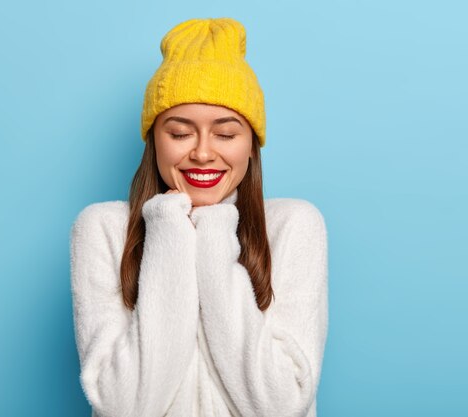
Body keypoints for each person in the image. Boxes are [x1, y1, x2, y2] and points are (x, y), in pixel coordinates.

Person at [69, 17, 328, 417]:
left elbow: (281, 404)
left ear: (251, 147)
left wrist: (212, 231)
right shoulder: (102, 229)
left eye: (226, 134)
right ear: (154, 138)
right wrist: (169, 228)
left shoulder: (293, 225)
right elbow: (125, 406)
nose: (204, 153)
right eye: (179, 133)